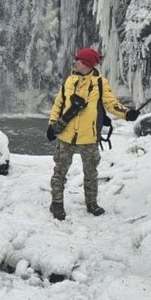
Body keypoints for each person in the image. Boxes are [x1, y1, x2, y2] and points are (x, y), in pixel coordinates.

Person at [46, 47, 139, 220]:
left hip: (89, 136)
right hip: (66, 134)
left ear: (87, 64)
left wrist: (127, 113)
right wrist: (52, 125)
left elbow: (111, 104)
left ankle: (92, 203)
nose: (74, 62)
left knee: (91, 173)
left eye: (78, 60)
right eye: (75, 58)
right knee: (59, 171)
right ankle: (56, 203)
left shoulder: (100, 83)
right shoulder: (69, 79)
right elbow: (58, 104)